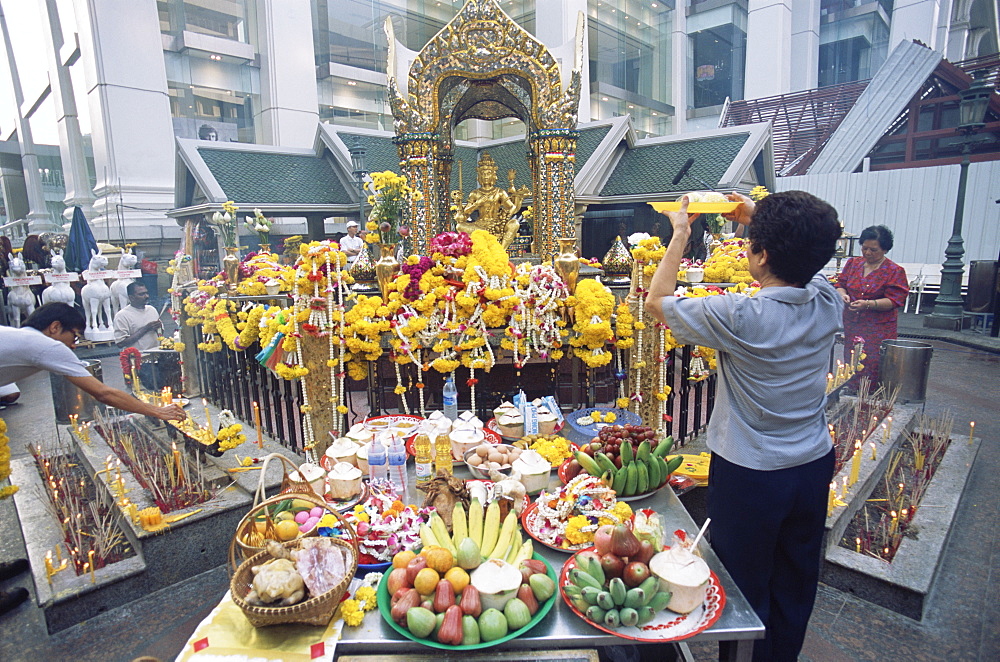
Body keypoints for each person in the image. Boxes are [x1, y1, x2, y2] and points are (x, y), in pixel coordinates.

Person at [645, 191, 843, 662]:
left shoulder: (741, 315)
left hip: (751, 473)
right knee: (795, 581)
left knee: (743, 588)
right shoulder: (828, 301)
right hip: (812, 464)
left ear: (762, 254)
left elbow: (657, 301)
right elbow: (807, 257)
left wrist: (679, 233)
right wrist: (762, 220)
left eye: (753, 240)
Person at [0, 303, 185, 422]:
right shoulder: (47, 346)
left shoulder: (17, 336)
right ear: (55, 327)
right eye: (74, 336)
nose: (73, 346)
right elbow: (103, 393)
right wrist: (157, 411)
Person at [835, 225, 909, 385]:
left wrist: (868, 304)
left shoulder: (894, 271)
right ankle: (851, 389)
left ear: (885, 250)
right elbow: (840, 284)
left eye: (873, 250)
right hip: (853, 324)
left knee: (873, 363)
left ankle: (869, 396)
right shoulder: (853, 264)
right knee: (852, 359)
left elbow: (895, 300)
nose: (867, 253)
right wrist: (843, 295)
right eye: (865, 248)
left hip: (878, 328)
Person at [455, 152, 520, 248]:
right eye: (483, 174)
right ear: (479, 176)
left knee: (514, 224)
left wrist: (505, 216)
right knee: (459, 226)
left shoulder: (499, 192)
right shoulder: (475, 193)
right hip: (480, 226)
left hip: (497, 224)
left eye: (488, 173)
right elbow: (465, 214)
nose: (486, 176)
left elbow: (513, 207)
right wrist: (477, 204)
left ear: (493, 175)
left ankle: (501, 251)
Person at [114, 282, 162, 352]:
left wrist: (158, 327)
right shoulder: (122, 315)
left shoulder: (151, 309)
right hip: (138, 358)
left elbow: (160, 333)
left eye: (146, 293)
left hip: (157, 354)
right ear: (131, 298)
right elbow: (120, 343)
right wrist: (146, 329)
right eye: (141, 294)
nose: (146, 296)